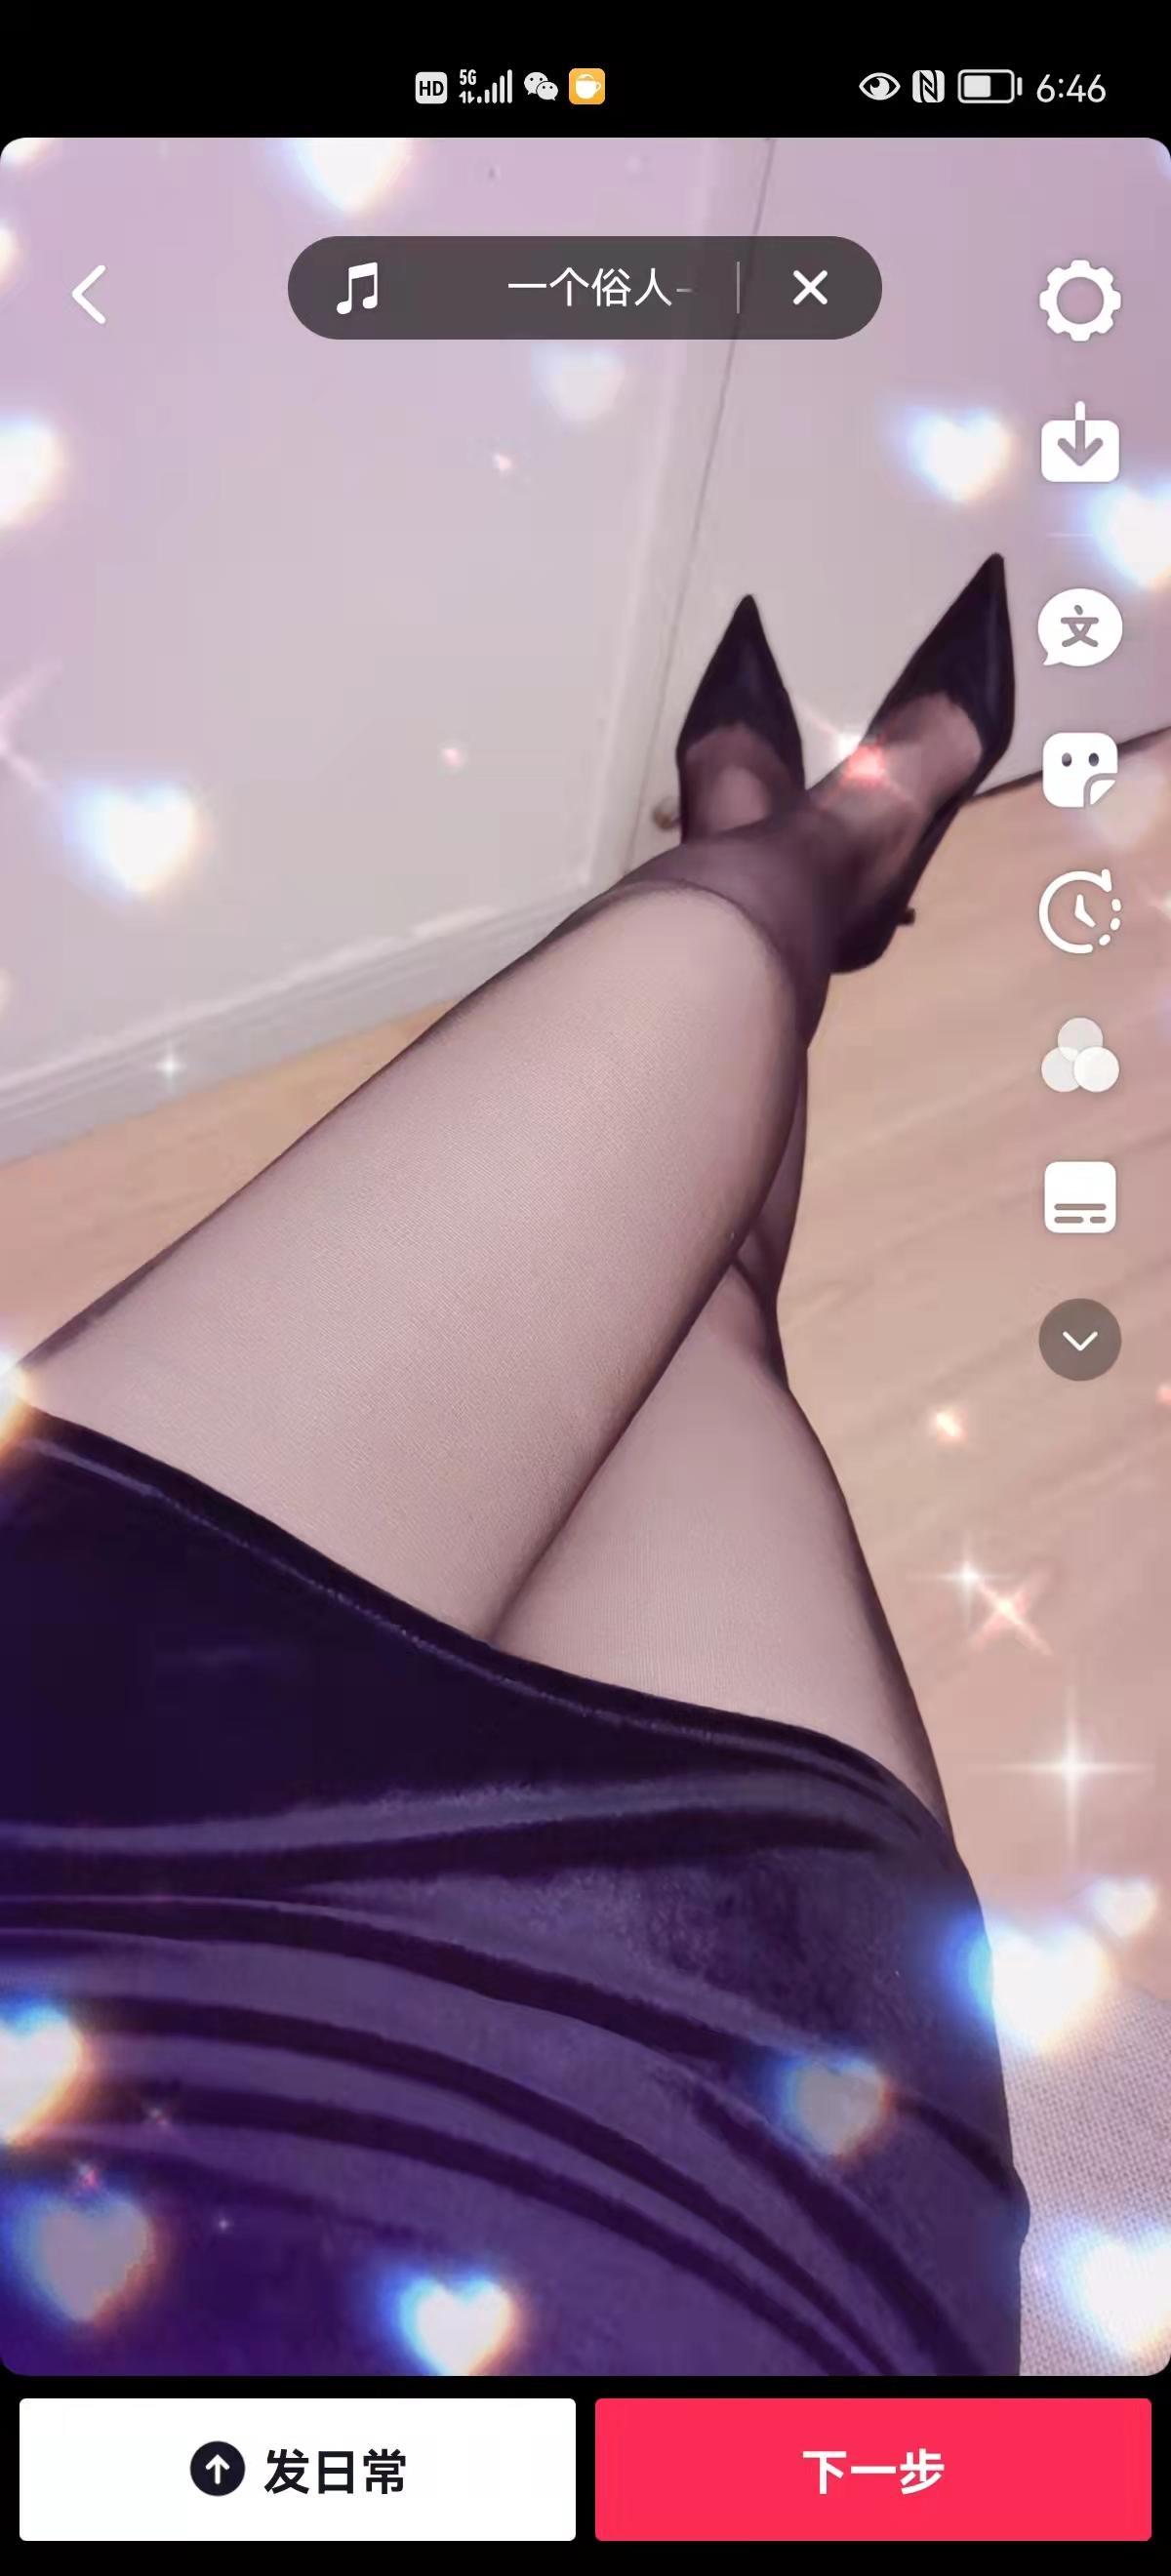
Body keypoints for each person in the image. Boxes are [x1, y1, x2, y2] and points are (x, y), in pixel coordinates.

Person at [0, 558, 1027, 2377]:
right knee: (699, 1305)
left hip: (57, 1860)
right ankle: (834, 845)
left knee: (686, 1003)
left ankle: (792, 849)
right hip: (653, 2163)